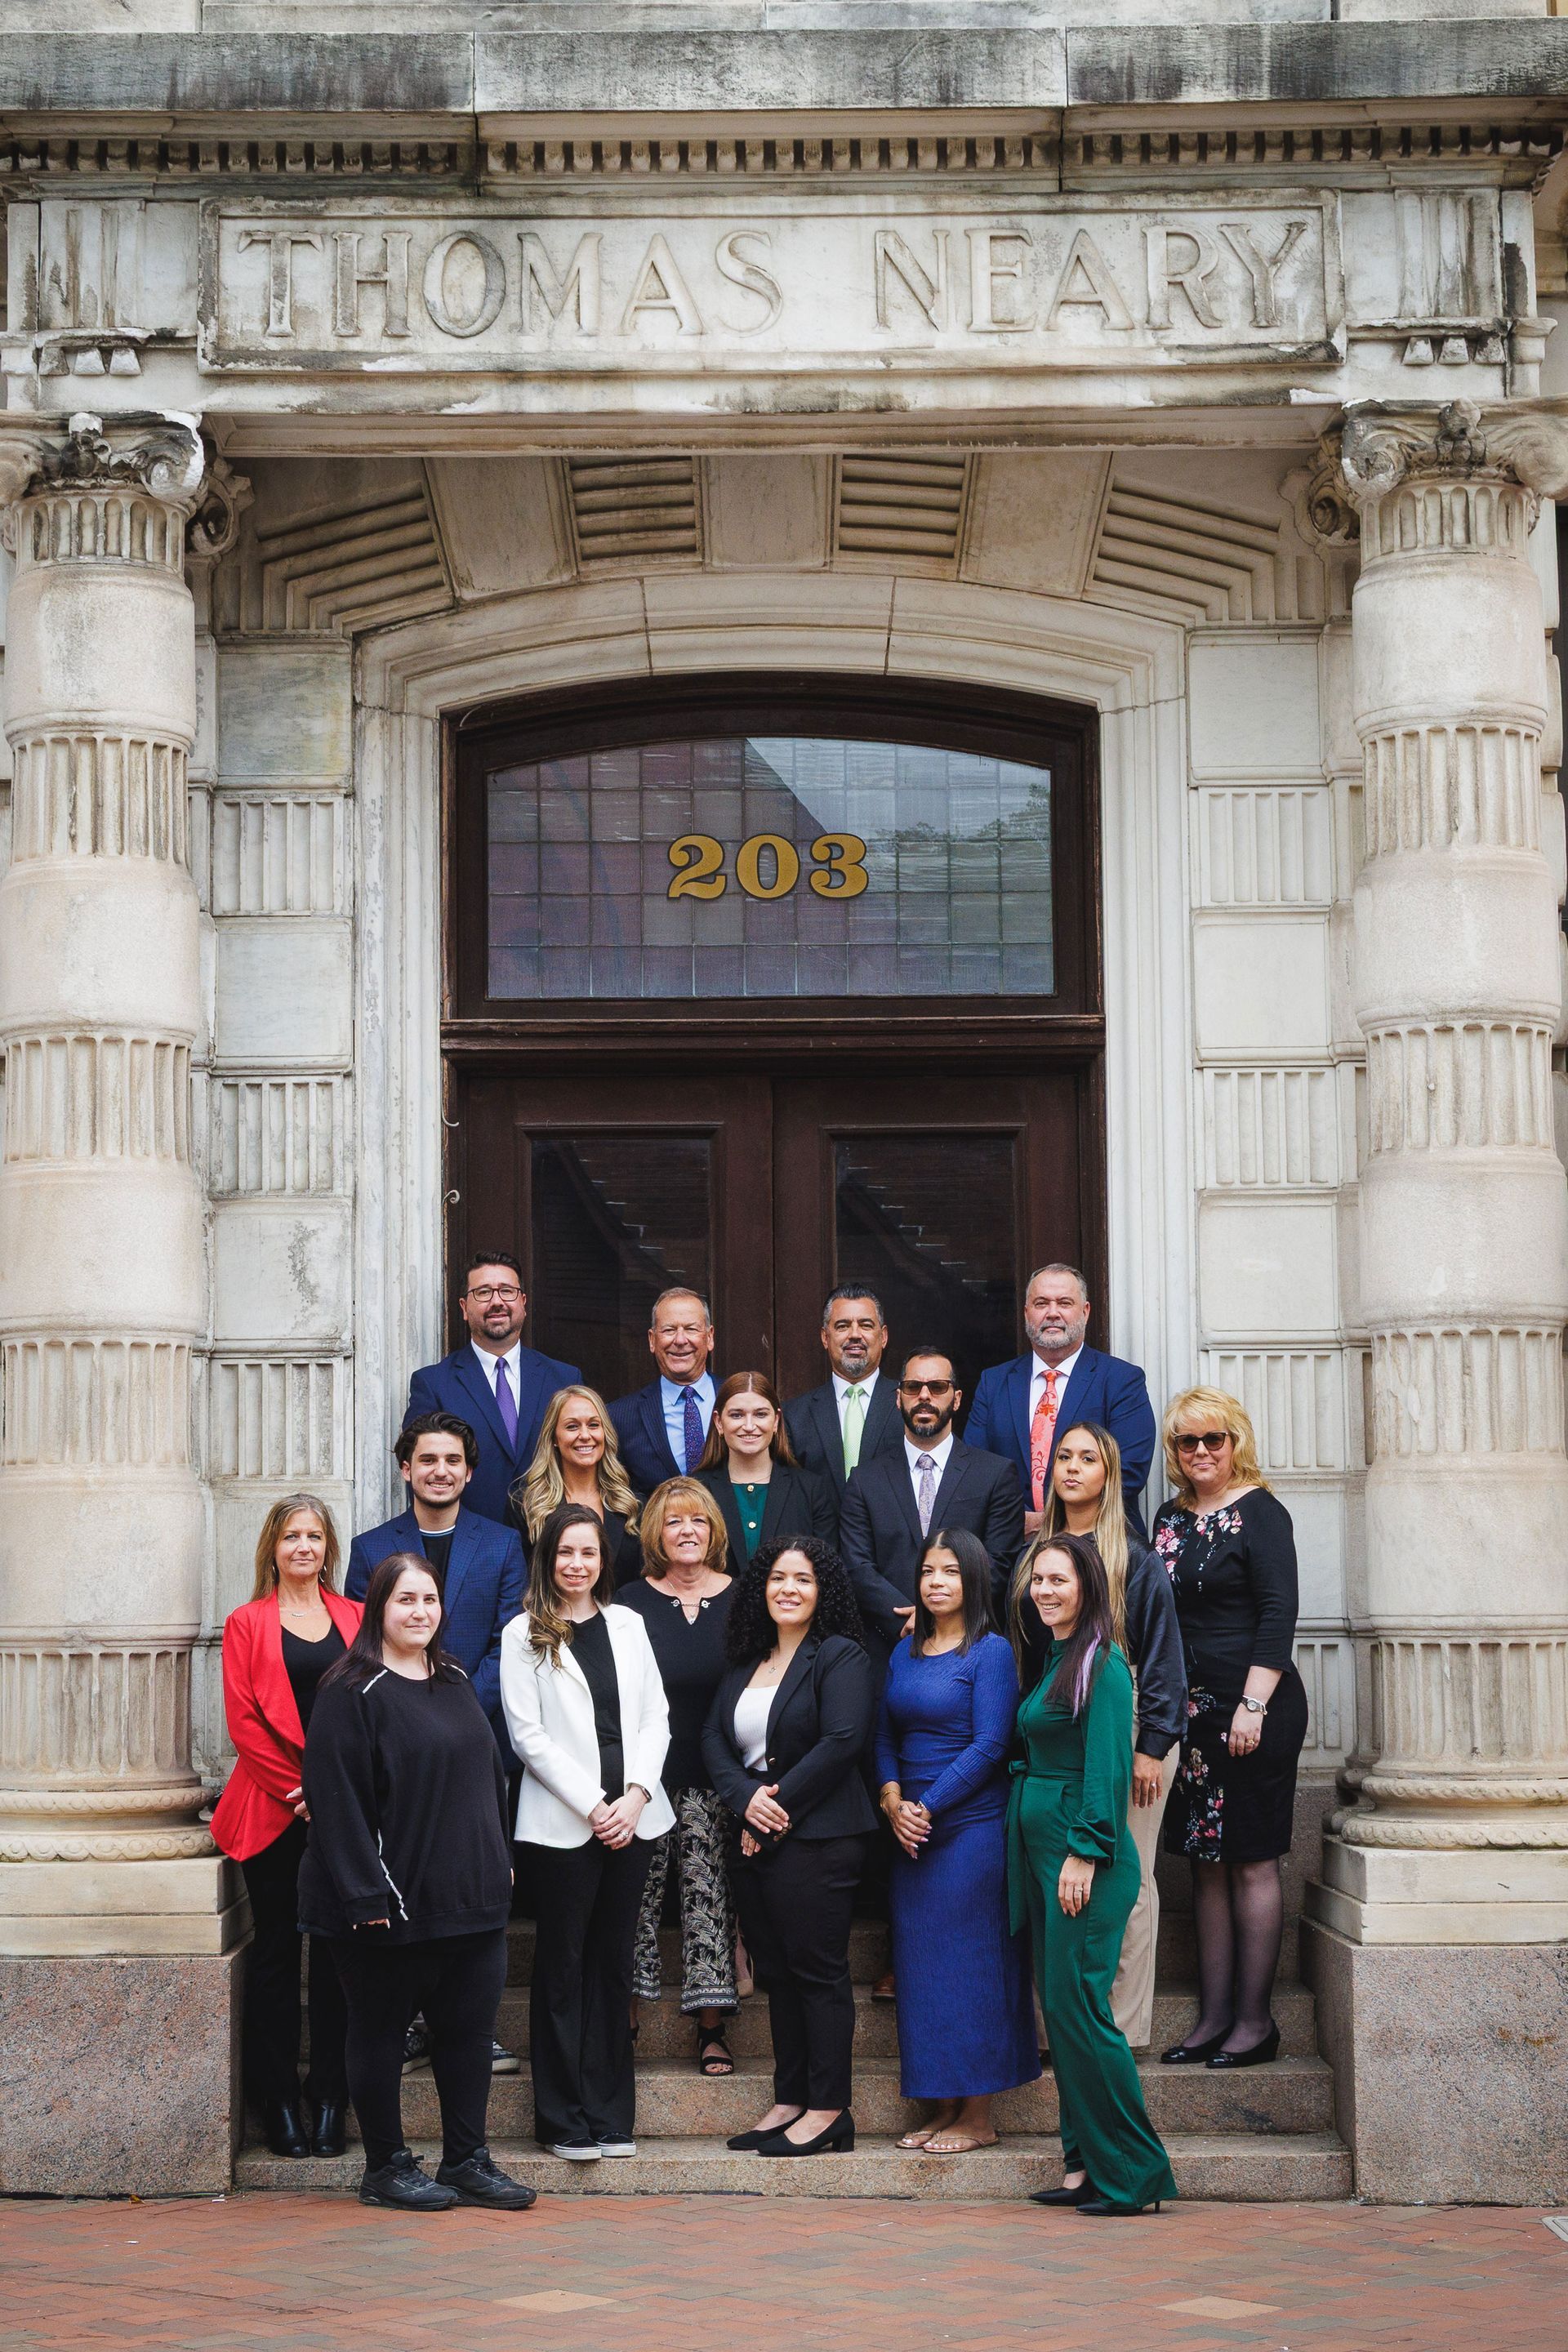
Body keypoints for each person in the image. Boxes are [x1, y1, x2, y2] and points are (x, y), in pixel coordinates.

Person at [297, 1552, 534, 2213]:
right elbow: (336, 1801)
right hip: (386, 1907)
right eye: (406, 1600)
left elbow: (487, 1774)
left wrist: (499, 1855)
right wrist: (365, 1895)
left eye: (429, 1601)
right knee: (376, 2034)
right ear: (378, 1607)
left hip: (470, 1899)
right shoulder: (351, 1691)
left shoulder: (453, 1677)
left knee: (465, 2035)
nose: (420, 1613)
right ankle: (386, 2167)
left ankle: (465, 2159)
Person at [1008, 1532, 1178, 2217]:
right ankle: (1084, 2166)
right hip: (1048, 1855)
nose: (1046, 1590)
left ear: (1088, 1586)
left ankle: (1135, 2174)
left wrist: (1085, 1850)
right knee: (1065, 2014)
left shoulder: (1104, 1664)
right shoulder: (1057, 1657)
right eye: (1038, 1580)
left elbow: (1108, 1767)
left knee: (1083, 2011)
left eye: (1060, 1580)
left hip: (1085, 1860)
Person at [500, 1504, 674, 2161]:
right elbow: (528, 1737)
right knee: (563, 1967)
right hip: (562, 1828)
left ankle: (609, 2115)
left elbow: (657, 1714)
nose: (577, 1564)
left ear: (604, 1561)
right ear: (547, 1559)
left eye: (589, 1553)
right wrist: (595, 1804)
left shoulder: (628, 1624)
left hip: (634, 1823)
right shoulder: (524, 1633)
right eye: (565, 1552)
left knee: (611, 1965)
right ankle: (562, 2118)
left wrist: (634, 1797)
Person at [1013, 1423, 1186, 2051]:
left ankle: (1121, 2027)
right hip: (1054, 1724)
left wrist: (1153, 1746)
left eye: (1089, 1458)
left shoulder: (1133, 1556)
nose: (1074, 1467)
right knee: (1056, 1883)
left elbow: (1163, 1656)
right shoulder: (1034, 1555)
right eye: (1064, 1456)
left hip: (1127, 1719)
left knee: (1125, 1876)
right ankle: (1060, 2028)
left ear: (1110, 1474)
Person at [702, 1538, 877, 2158]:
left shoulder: (840, 1655)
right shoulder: (747, 1661)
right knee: (777, 1973)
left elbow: (842, 1740)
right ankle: (790, 2098)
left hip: (822, 1836)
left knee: (818, 1973)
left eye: (804, 1579)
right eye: (779, 1578)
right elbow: (714, 1741)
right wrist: (744, 1800)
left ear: (822, 1590)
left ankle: (829, 2109)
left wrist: (770, 1809)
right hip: (756, 1838)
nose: (789, 1589)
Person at [1153, 1387, 1308, 2071]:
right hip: (1189, 1715)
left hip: (1254, 1709)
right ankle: (1213, 2018)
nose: (1201, 1452)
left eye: (1214, 1439)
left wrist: (1252, 1706)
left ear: (1235, 1441)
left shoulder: (1261, 1514)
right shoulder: (1169, 1516)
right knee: (1203, 1865)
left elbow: (1279, 1614)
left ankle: (1255, 2022)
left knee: (1249, 1860)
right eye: (1188, 1442)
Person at [874, 1530, 1039, 2154]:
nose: (936, 1582)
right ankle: (943, 2107)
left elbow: (991, 1745)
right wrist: (893, 1801)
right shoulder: (904, 1652)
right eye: (927, 1572)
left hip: (968, 1831)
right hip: (909, 1834)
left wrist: (927, 1805)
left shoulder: (990, 1652)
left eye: (950, 1572)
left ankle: (978, 2115)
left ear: (973, 1580)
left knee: (973, 1969)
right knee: (924, 1972)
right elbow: (883, 1734)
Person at [212, 1494, 362, 2162]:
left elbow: (370, 1712)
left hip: (343, 1813)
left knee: (336, 1958)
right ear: (272, 1547)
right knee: (275, 1959)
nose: (304, 1546)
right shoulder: (246, 1623)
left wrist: (334, 1794)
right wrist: (303, 1792)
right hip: (273, 1810)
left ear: (330, 1548)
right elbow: (243, 1721)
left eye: (315, 1536)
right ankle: (276, 2102)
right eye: (291, 1536)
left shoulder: (358, 1617)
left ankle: (330, 2096)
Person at [617, 1480, 738, 2075]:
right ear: (654, 1535)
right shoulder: (628, 1604)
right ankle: (627, 2016)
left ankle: (711, 2028)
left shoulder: (746, 1600)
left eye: (697, 1520)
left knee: (707, 1897)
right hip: (643, 1775)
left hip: (714, 1774)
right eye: (672, 1522)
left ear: (715, 1531)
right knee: (636, 1897)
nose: (686, 1530)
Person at [839, 1347, 1026, 1659]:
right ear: (899, 1398)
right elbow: (857, 1566)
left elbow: (999, 1562)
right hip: (887, 1648)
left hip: (968, 1648)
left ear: (956, 1399)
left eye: (938, 1387)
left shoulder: (995, 1474)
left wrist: (941, 1617)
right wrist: (908, 1620)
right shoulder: (864, 1480)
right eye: (913, 1387)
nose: (924, 1396)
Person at [964, 1264, 1157, 1536]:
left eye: (1064, 1303)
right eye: (1041, 1303)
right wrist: (1017, 1521)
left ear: (1085, 1312)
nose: (1052, 1313)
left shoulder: (1122, 1380)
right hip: (1010, 1548)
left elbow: (1129, 1471)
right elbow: (975, 1470)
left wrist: (1054, 1522)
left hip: (1097, 1548)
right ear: (1026, 1313)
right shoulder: (993, 1383)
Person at [404, 1249, 580, 1525]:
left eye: (507, 1291)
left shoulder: (564, 1379)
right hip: (470, 1547)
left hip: (552, 1545)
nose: (497, 1301)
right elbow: (419, 1471)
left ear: (523, 1302)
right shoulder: (434, 1384)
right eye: (483, 1292)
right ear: (464, 1308)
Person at [696, 1370, 839, 1566]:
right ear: (719, 1422)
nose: (749, 1425)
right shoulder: (696, 1490)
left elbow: (825, 1570)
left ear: (776, 1421)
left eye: (760, 1415)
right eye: (737, 1415)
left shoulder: (811, 1490)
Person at [510, 1383, 644, 1585]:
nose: (585, 1435)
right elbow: (521, 1584)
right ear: (554, 1437)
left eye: (593, 1425)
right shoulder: (526, 1505)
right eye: (572, 1426)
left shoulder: (633, 1506)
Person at [785, 1286, 904, 1499]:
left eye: (866, 1325)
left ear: (883, 1337)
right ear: (825, 1337)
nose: (855, 1335)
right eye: (843, 1326)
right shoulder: (794, 1415)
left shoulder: (907, 1404)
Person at [610, 1286, 719, 1495]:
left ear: (710, 1337)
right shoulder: (619, 1417)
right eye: (669, 1330)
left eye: (691, 1329)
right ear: (652, 1340)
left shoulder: (737, 1403)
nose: (680, 1340)